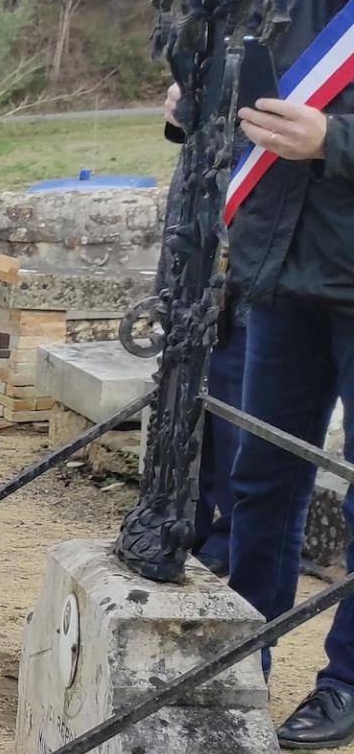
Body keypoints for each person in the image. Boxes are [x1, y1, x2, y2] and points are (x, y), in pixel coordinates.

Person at [221, 0, 354, 749]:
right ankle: (242, 664)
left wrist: (334, 143)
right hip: (280, 268)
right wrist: (197, 108)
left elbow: (315, 129)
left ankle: (346, 682)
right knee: (262, 482)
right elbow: (259, 100)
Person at [162, 79, 248, 576]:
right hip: (191, 269)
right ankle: (184, 519)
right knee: (189, 409)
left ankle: (231, 538)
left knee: (236, 415)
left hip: (243, 275)